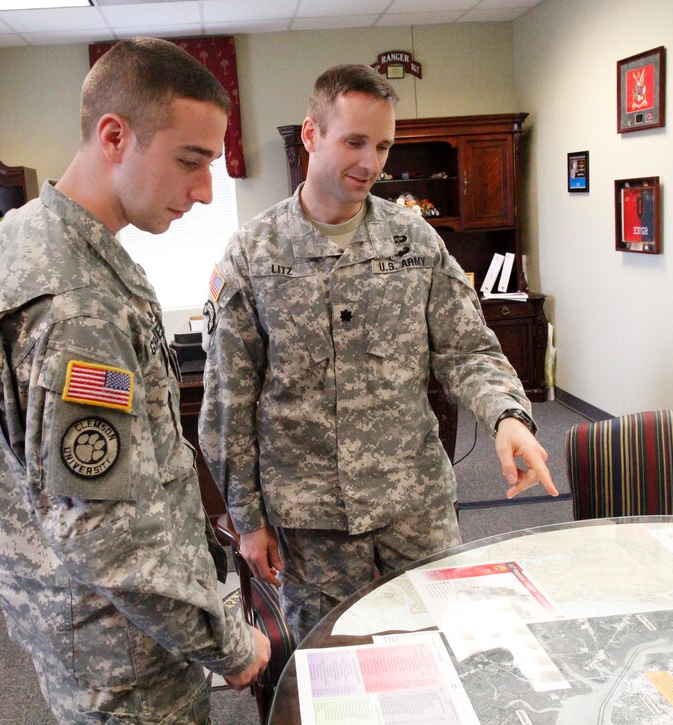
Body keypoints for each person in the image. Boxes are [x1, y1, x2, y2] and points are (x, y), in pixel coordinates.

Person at [0, 38, 269, 723]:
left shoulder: (38, 236)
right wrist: (226, 642)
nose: (205, 189)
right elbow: (103, 535)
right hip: (124, 651)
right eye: (190, 161)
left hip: (98, 630)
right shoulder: (73, 297)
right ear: (114, 136)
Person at [199, 64, 558, 642]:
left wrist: (507, 415)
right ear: (312, 135)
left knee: (443, 640)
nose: (371, 162)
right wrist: (248, 520)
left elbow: (467, 348)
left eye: (384, 145)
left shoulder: (414, 241)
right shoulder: (253, 253)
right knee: (331, 657)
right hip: (311, 515)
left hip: (413, 500)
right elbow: (228, 404)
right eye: (354, 142)